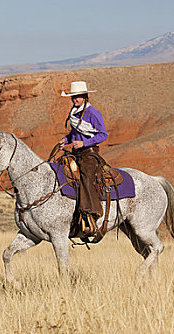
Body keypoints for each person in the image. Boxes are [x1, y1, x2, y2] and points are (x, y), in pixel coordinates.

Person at [58, 81, 108, 237]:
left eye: (77, 97)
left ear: (85, 96)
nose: (74, 100)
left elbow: (103, 134)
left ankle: (91, 214)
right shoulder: (75, 112)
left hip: (89, 154)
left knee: (86, 178)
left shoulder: (93, 113)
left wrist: (84, 143)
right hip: (76, 152)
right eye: (73, 97)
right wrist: (65, 140)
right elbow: (74, 134)